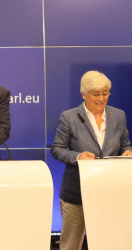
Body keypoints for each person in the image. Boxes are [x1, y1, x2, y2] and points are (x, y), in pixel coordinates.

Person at [50, 70, 132, 250]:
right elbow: (57, 149)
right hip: (76, 193)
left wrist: (128, 152)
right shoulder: (69, 117)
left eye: (105, 93)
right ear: (84, 94)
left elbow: (126, 144)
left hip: (110, 192)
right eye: (96, 94)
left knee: (110, 243)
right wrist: (78, 156)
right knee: (71, 245)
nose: (101, 98)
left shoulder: (118, 115)